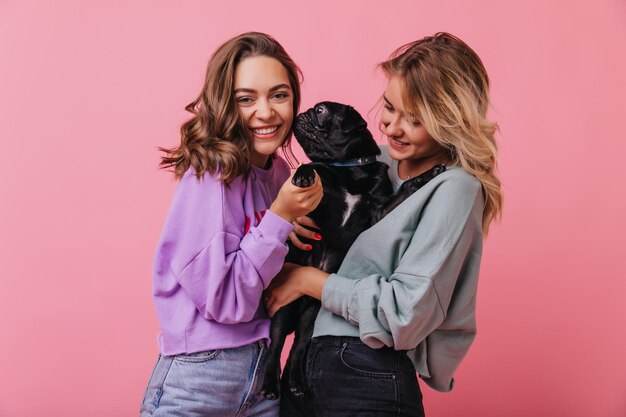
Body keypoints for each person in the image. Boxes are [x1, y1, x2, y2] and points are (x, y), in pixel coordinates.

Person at [265, 32, 502, 417]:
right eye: (390, 108)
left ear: (449, 122)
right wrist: (292, 223)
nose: (391, 128)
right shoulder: (372, 166)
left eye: (415, 120)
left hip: (365, 373)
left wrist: (307, 281)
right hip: (305, 365)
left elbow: (406, 313)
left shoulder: (456, 188)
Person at [140, 32, 323, 417]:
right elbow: (224, 300)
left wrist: (287, 244)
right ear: (224, 104)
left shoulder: (279, 174)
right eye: (246, 99)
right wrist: (278, 218)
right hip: (201, 378)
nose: (266, 112)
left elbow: (259, 280)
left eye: (279, 95)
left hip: (263, 376)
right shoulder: (213, 173)